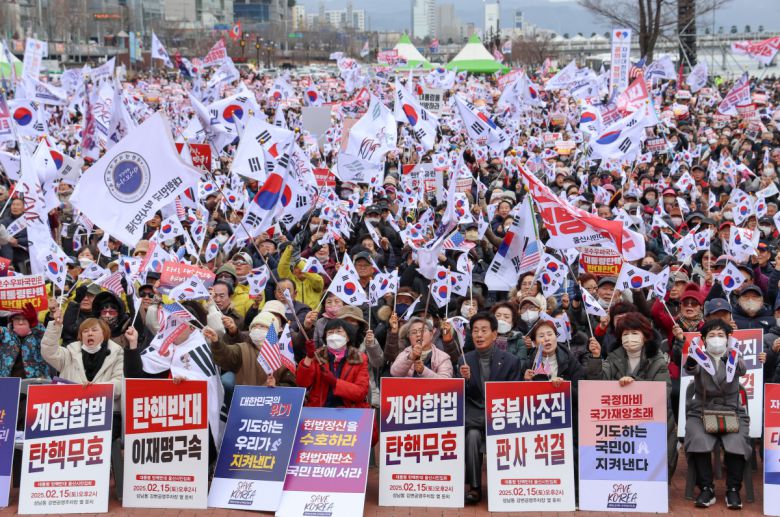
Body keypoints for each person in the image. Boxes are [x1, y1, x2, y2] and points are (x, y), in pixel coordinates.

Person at [586, 312, 678, 478]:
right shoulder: (614, 357)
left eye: (635, 333)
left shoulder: (657, 359)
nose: (630, 338)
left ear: (645, 336)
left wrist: (634, 385)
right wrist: (596, 358)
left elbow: (662, 391)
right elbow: (598, 383)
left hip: (651, 423)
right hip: (618, 423)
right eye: (625, 334)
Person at [683, 318, 752, 510]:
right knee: (697, 438)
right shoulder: (699, 357)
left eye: (721, 335)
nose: (716, 339)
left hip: (732, 411)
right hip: (701, 411)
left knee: (737, 441)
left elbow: (742, 369)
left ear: (728, 339)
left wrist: (729, 358)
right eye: (711, 335)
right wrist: (691, 359)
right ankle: (706, 488)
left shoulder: (733, 356)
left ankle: (733, 490)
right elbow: (691, 368)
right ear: (704, 339)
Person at [459, 312, 522, 504]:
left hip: (503, 416)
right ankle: (475, 488)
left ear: (494, 334)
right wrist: (465, 379)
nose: (479, 335)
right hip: (476, 417)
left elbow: (515, 393)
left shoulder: (511, 360)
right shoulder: (464, 360)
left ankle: (506, 486)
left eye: (484, 330)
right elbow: (464, 395)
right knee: (471, 436)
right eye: (475, 331)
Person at [42, 306, 125, 401]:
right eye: (85, 331)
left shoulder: (117, 354)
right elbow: (48, 351)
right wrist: (56, 326)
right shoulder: (69, 353)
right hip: (70, 408)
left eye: (94, 330)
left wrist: (96, 388)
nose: (90, 333)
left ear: (104, 334)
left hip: (103, 410)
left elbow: (119, 384)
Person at [296, 318, 371, 410]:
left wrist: (335, 382)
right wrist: (309, 357)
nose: (334, 335)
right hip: (319, 410)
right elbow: (302, 384)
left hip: (349, 410)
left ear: (347, 337)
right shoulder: (317, 356)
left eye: (339, 332)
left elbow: (361, 393)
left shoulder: (359, 358)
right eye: (330, 332)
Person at [0, 303, 49, 379]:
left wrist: (35, 325)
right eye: (17, 319)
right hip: (8, 382)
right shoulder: (4, 333)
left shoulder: (38, 333)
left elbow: (49, 339)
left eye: (25, 319)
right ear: (11, 320)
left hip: (36, 381)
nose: (21, 322)